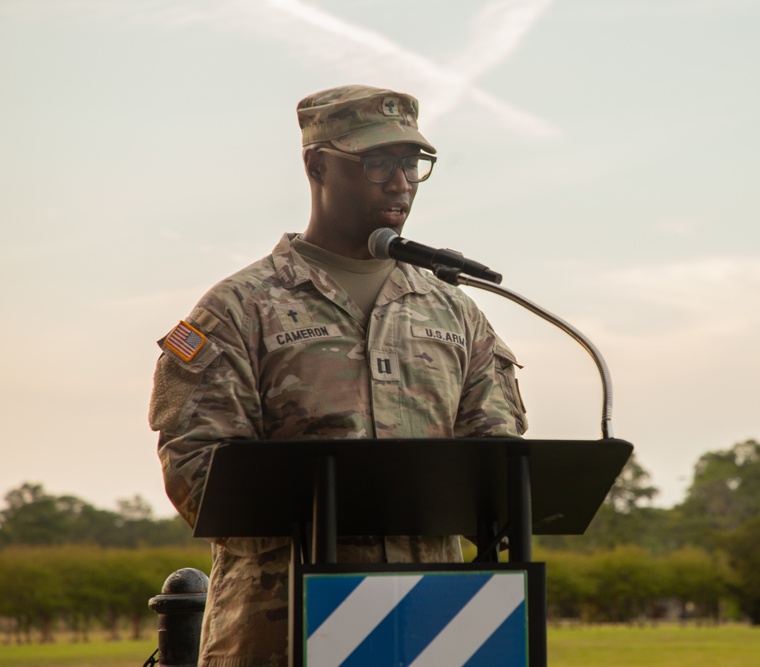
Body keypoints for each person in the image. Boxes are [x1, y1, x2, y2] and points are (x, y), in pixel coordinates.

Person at [148, 85, 528, 666]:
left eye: (411, 164)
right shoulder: (238, 309)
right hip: (281, 631)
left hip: (434, 629)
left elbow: (496, 465)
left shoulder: (453, 310)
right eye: (377, 162)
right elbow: (199, 475)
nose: (400, 182)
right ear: (317, 164)